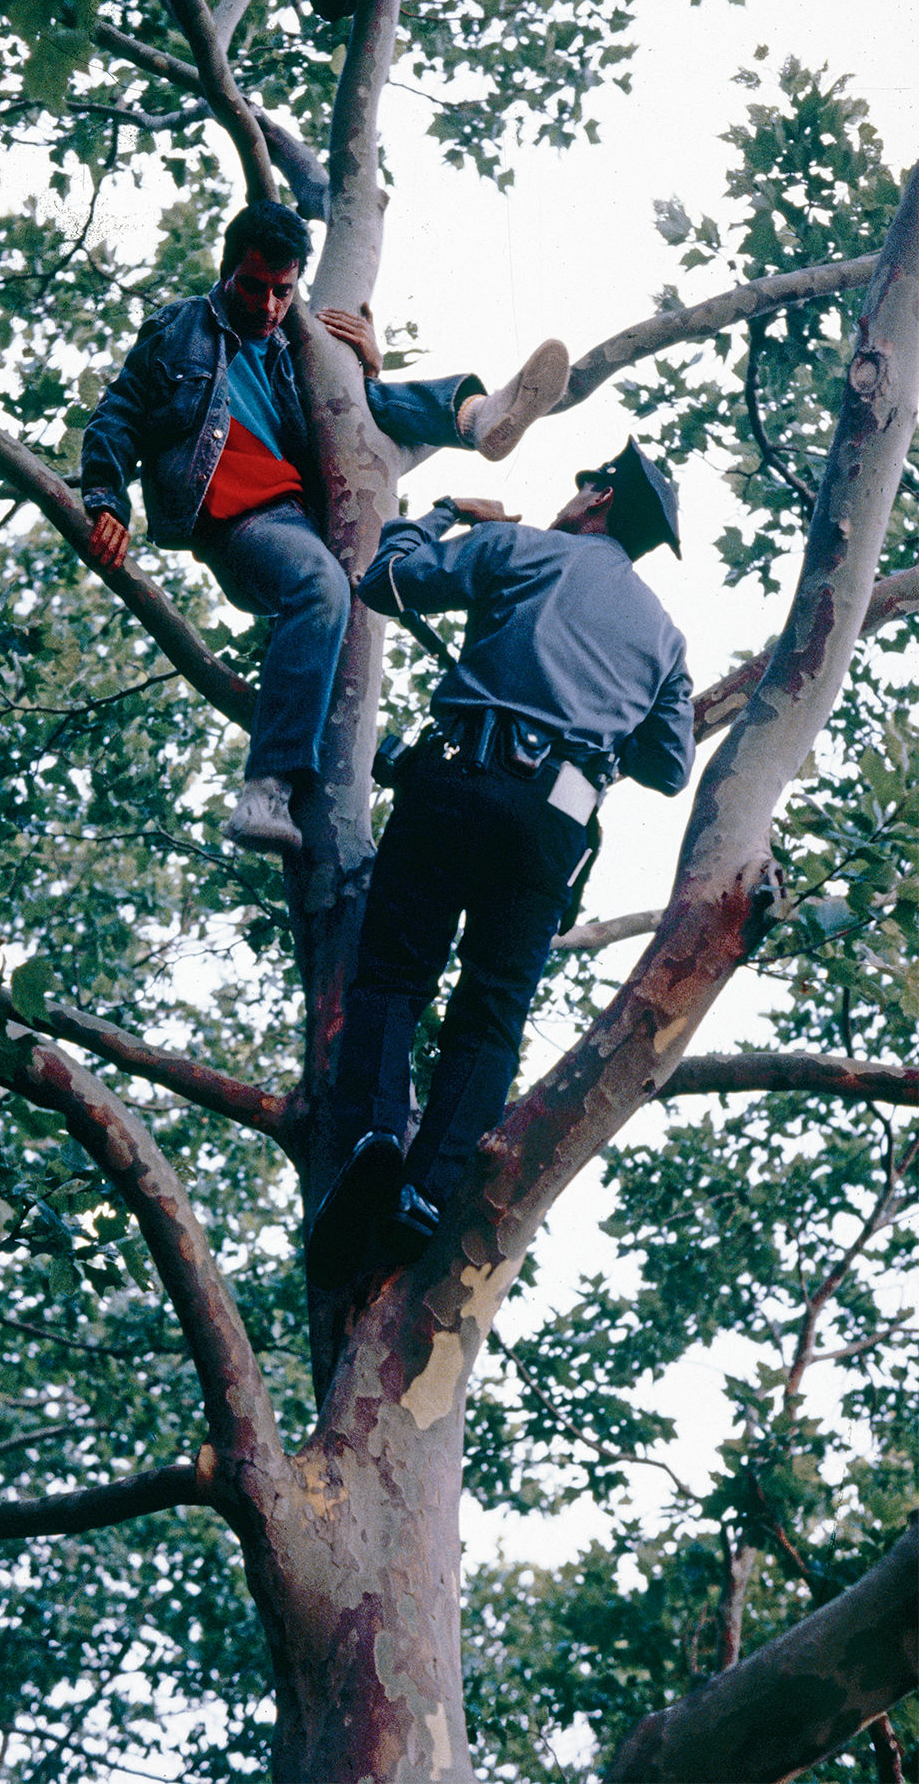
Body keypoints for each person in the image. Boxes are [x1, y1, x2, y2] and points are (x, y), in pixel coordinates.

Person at [308, 439, 696, 1289]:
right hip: (550, 827)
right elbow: (670, 768)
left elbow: (387, 581)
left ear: (597, 497)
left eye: (581, 482)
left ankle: (377, 1135)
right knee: (490, 1011)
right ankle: (429, 1188)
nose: (570, 495)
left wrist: (444, 513)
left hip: (455, 778)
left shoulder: (517, 548)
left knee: (395, 976)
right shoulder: (663, 637)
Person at [81, 200, 570, 853]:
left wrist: (364, 363)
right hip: (237, 524)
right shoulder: (180, 328)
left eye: (284, 292)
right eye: (254, 287)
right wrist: (106, 501)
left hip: (302, 510)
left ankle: (479, 417)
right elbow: (118, 414)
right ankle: (266, 788)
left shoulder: (292, 342)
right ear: (228, 274)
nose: (269, 306)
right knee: (320, 585)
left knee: (366, 401)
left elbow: (344, 421)